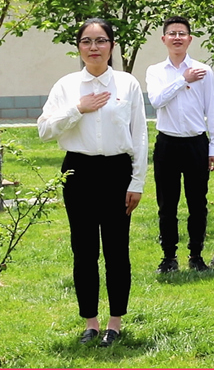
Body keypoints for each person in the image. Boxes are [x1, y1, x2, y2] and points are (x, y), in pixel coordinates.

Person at [38, 18, 148, 347]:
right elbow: (44, 130)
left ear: (112, 46)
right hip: (79, 172)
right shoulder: (67, 86)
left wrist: (137, 182)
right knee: (83, 250)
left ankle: (115, 322)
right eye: (86, 41)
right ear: (79, 47)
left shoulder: (127, 84)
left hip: (117, 172)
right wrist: (77, 109)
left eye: (101, 41)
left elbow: (140, 136)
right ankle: (91, 322)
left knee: (117, 250)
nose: (94, 47)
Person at [146, 16, 214, 273]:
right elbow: (156, 101)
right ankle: (168, 257)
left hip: (196, 144)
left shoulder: (204, 71)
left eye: (182, 33)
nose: (177, 37)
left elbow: (212, 109)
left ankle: (196, 255)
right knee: (167, 204)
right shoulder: (155, 71)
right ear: (163, 39)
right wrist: (183, 80)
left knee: (197, 203)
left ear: (190, 39)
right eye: (172, 33)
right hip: (167, 143)